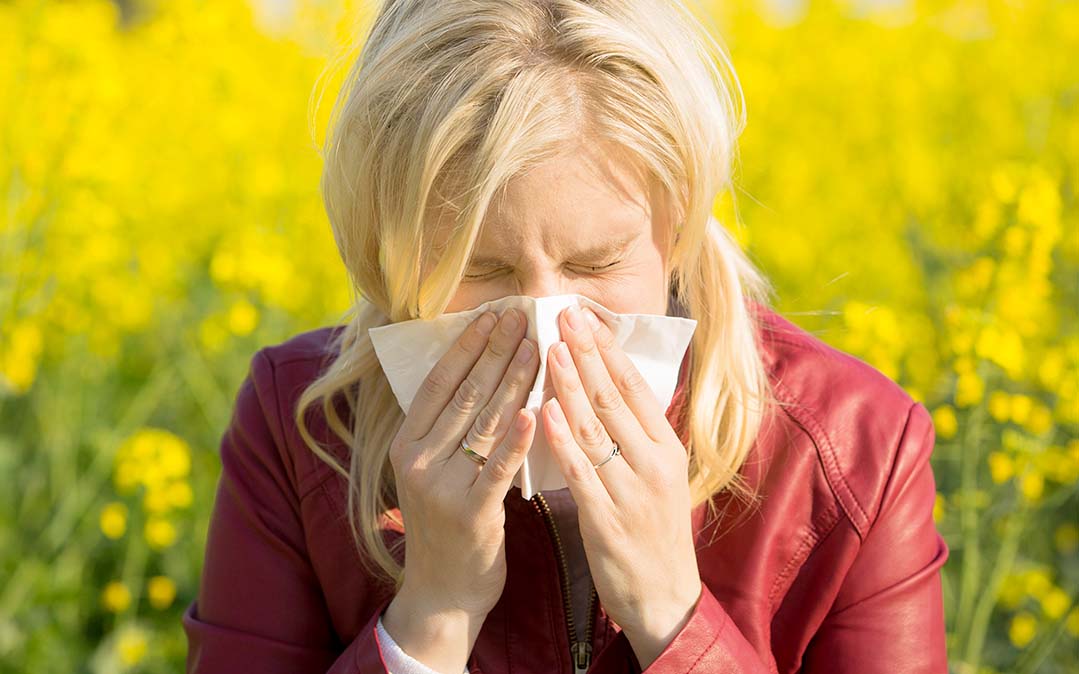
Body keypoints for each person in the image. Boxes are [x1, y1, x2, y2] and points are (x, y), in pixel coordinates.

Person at [182, 1, 950, 672]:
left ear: (675, 222)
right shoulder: (305, 428)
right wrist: (431, 619)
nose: (547, 323)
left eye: (596, 262)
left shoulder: (854, 448)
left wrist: (670, 615)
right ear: (387, 253)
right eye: (481, 269)